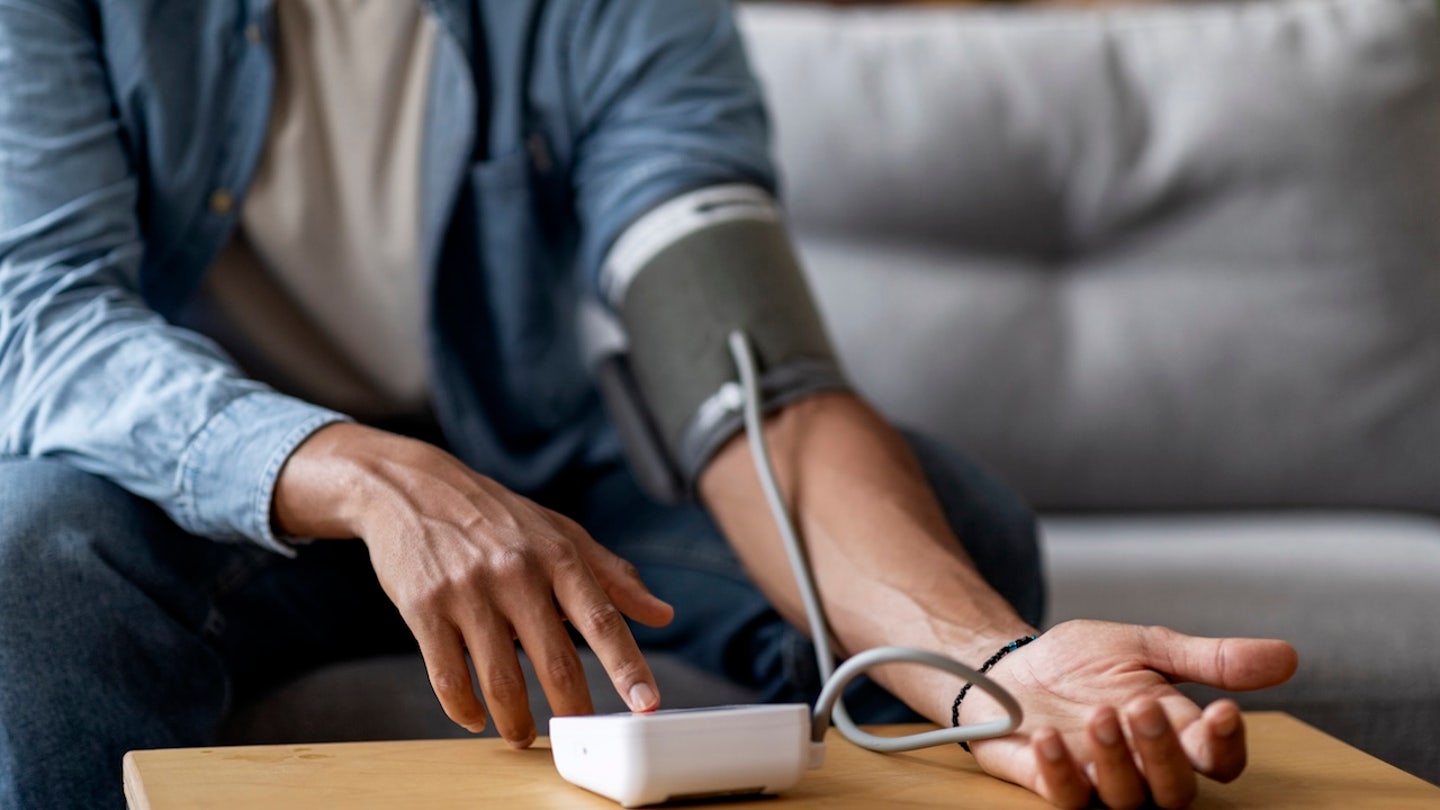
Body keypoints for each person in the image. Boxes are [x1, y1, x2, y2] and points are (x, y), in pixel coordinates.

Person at [0, 2, 1297, 808]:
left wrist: (993, 660)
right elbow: (41, 313)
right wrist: (368, 477)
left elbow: (754, 379)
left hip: (521, 471)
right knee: (28, 558)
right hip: (200, 498)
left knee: (956, 523)